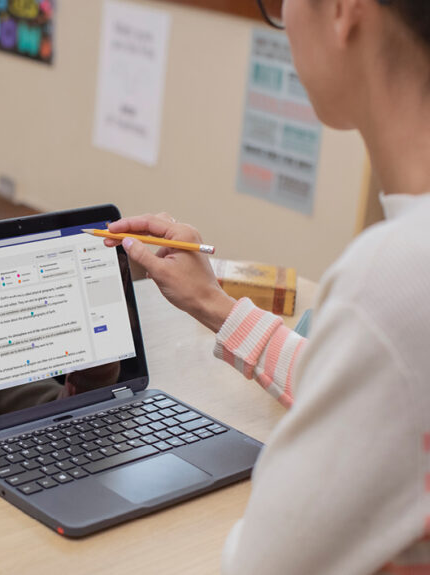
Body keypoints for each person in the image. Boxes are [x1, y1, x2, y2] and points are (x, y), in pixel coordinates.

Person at [102, 1, 430, 573]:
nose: (281, 17)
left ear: (344, 10)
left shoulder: (394, 273)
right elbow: (374, 387)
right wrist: (212, 302)